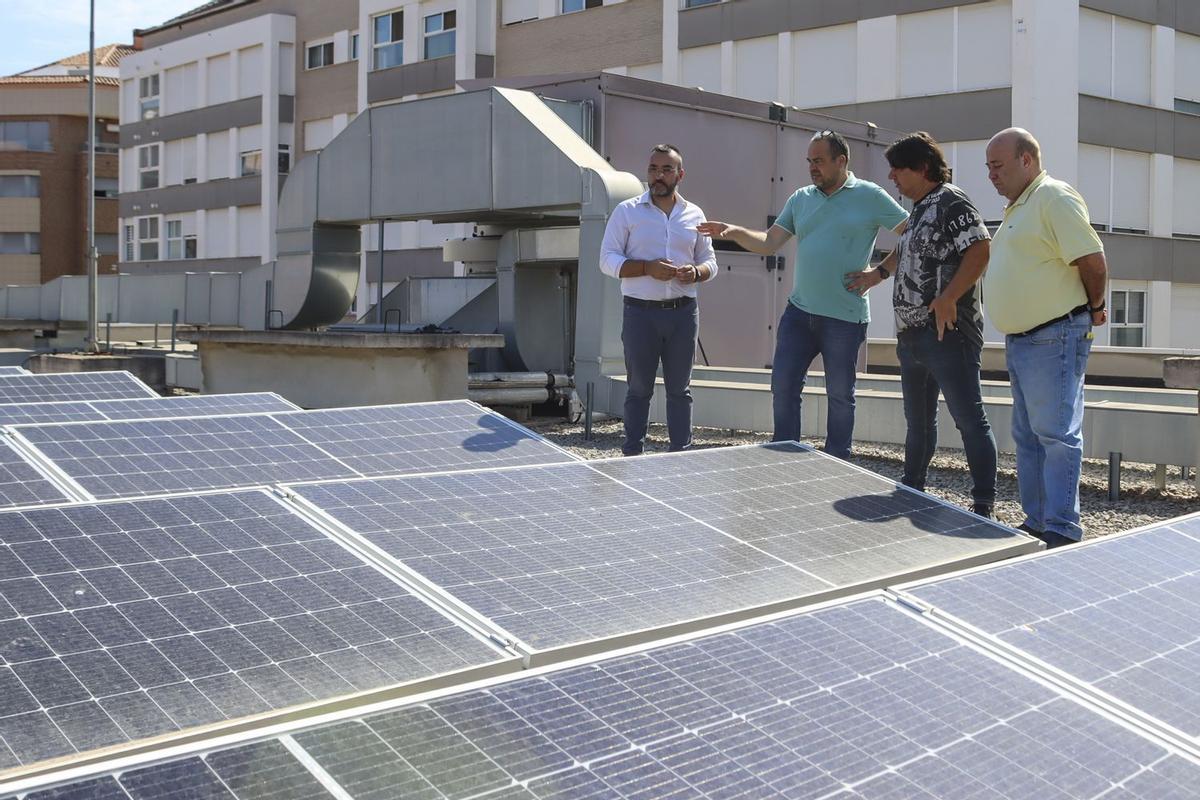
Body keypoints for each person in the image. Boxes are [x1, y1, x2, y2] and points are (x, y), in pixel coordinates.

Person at [698, 131, 907, 459]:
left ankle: (838, 461)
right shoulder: (801, 198)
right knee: (783, 388)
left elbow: (912, 234)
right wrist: (733, 230)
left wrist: (879, 273)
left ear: (842, 161)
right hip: (799, 314)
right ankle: (785, 454)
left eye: (819, 161)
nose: (812, 168)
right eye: (810, 161)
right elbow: (769, 242)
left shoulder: (870, 196)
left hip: (845, 318)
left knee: (840, 395)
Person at [845, 132, 997, 518]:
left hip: (947, 334)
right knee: (918, 421)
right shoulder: (920, 209)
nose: (892, 177)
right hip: (911, 337)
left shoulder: (952, 201)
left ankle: (983, 505)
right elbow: (908, 248)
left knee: (969, 420)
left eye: (899, 169)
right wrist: (877, 274)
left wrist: (947, 298)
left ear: (923, 168)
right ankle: (912, 488)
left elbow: (980, 248)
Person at [984, 127, 1108, 547]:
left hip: (1054, 334)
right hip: (1024, 340)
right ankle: (1038, 522)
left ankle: (1061, 527)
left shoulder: (1053, 197)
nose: (991, 175)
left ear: (1027, 160)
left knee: (1055, 435)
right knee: (1030, 436)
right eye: (988, 168)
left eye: (997, 166)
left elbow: (1091, 257)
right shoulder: (1020, 207)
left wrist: (1094, 308)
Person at [599, 144, 718, 456]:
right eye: (653, 169)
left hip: (682, 314)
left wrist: (696, 272)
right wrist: (646, 268)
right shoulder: (626, 212)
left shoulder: (695, 214)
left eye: (666, 169)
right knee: (639, 389)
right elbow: (606, 259)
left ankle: (680, 453)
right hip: (640, 314)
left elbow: (710, 261)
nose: (658, 176)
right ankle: (632, 454)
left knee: (680, 390)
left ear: (680, 174)